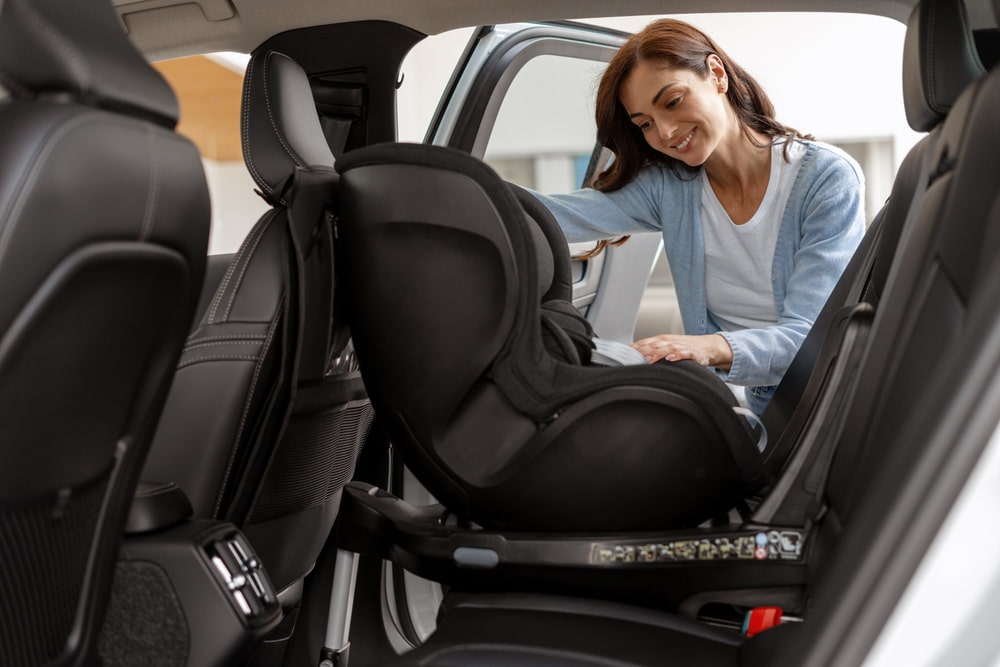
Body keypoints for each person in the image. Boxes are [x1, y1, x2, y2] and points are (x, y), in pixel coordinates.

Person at [532, 18, 865, 416]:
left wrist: (707, 347)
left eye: (672, 101)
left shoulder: (826, 179)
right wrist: (457, 188)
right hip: (759, 403)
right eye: (645, 125)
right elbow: (558, 215)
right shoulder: (669, 187)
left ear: (717, 74)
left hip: (831, 401)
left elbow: (809, 340)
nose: (667, 132)